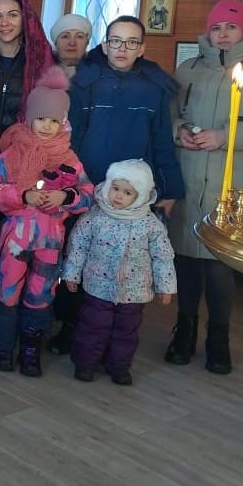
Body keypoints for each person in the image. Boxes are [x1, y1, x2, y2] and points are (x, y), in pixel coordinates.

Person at [54, 16, 185, 355]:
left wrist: (170, 190)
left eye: (131, 42)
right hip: (88, 185)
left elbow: (161, 141)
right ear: (104, 45)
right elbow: (71, 137)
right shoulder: (85, 83)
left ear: (141, 48)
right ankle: (71, 327)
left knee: (122, 261)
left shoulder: (153, 90)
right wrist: (69, 181)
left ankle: (114, 338)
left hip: (131, 194)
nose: (122, 48)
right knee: (79, 253)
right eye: (115, 41)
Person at [166, 0, 243, 374]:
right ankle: (184, 330)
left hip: (230, 186)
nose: (223, 34)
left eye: (231, 27)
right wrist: (180, 132)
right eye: (217, 28)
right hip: (190, 180)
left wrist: (225, 136)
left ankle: (218, 338)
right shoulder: (188, 69)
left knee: (221, 267)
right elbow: (171, 116)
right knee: (187, 261)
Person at [0, 67, 93, 376]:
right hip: (16, 240)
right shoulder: (11, 155)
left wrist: (65, 197)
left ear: (63, 122)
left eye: (54, 120)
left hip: (50, 242)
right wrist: (23, 195)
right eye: (42, 118)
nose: (47, 126)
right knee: (7, 291)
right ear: (30, 118)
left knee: (41, 294)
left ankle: (31, 349)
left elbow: (88, 194)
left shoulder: (69, 159)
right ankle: (2, 348)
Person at [0, 0, 52, 340]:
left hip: (19, 166)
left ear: (25, 19)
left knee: (6, 241)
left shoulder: (40, 60)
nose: (4, 23)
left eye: (12, 15)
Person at [64, 159, 175, 385]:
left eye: (127, 192)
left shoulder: (150, 224)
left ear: (141, 196)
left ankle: (119, 367)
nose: (118, 196)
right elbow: (78, 245)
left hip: (134, 292)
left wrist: (166, 287)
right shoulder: (95, 216)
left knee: (126, 332)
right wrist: (71, 273)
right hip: (98, 287)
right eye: (115, 188)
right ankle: (85, 364)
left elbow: (163, 257)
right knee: (93, 326)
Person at [49, 13, 92, 77]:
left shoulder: (101, 72)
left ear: (87, 43)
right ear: (55, 43)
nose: (72, 43)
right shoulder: (39, 69)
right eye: (65, 36)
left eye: (79, 37)